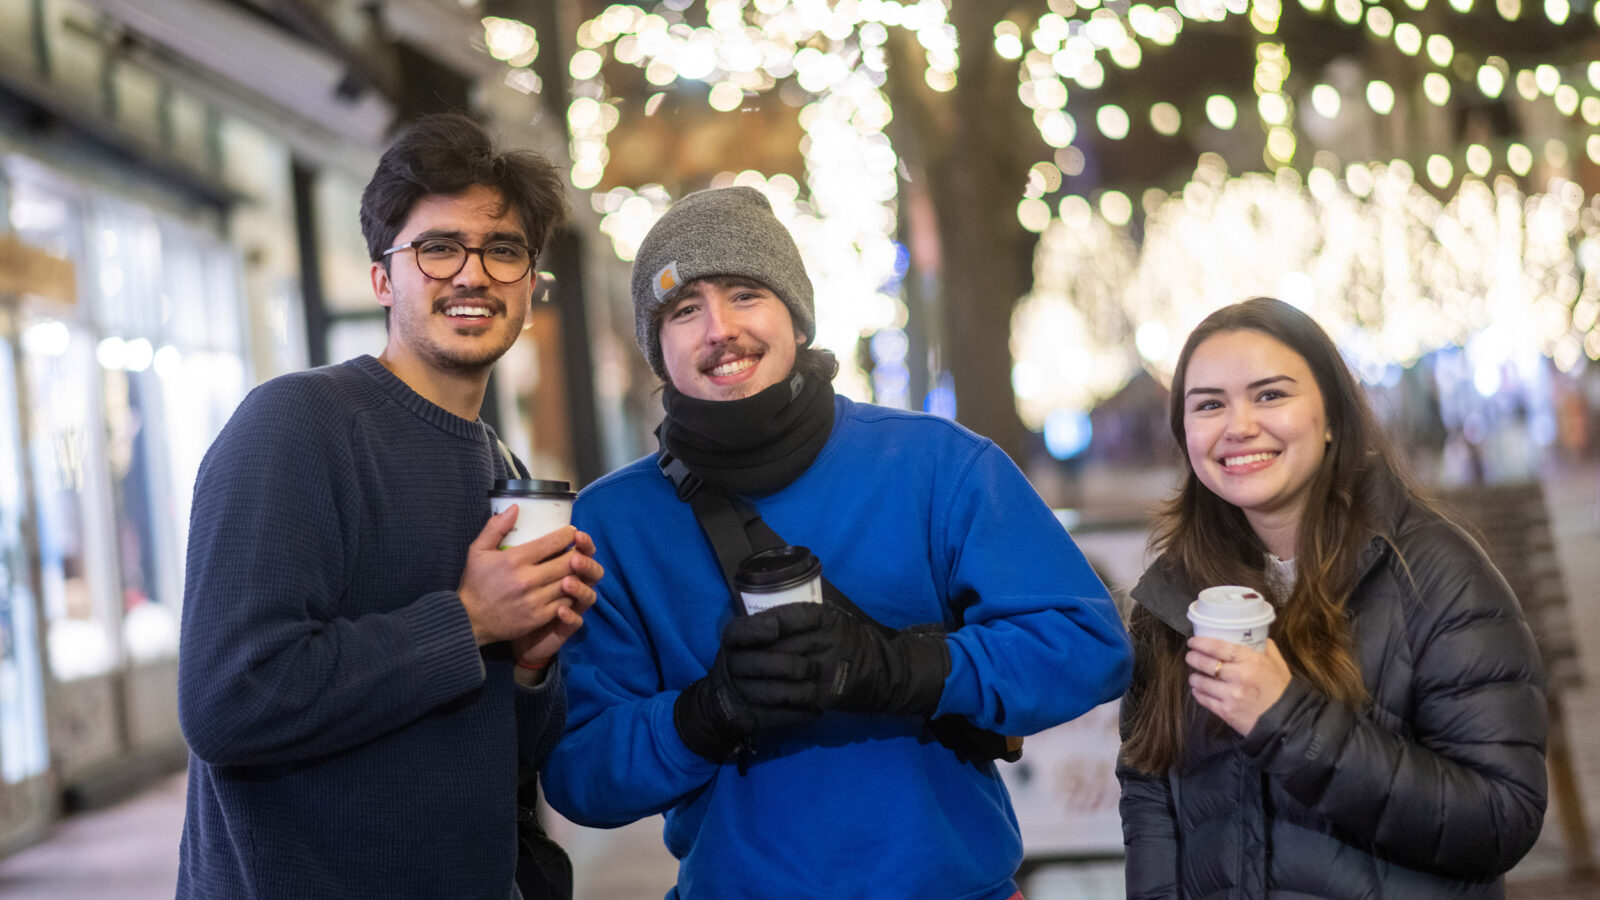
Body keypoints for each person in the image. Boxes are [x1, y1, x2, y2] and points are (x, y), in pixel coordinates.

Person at [541, 186, 1132, 899]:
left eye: (744, 293)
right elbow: (579, 773)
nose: (719, 329)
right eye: (683, 309)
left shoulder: (936, 464)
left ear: (795, 313)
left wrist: (907, 667)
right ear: (657, 350)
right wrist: (707, 714)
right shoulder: (614, 522)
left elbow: (1088, 644)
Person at [175, 113, 603, 899]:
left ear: (530, 291)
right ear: (382, 279)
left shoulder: (501, 466)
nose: (472, 274)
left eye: (504, 250)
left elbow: (504, 762)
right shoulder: (296, 425)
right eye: (437, 248)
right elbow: (229, 702)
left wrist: (535, 660)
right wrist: (470, 620)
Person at [1117, 297, 1547, 898]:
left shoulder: (1434, 573)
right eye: (1210, 404)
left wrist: (1287, 721)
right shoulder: (1175, 593)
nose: (1238, 425)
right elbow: (1149, 786)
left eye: (1270, 395)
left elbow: (1503, 817)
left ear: (1331, 419)